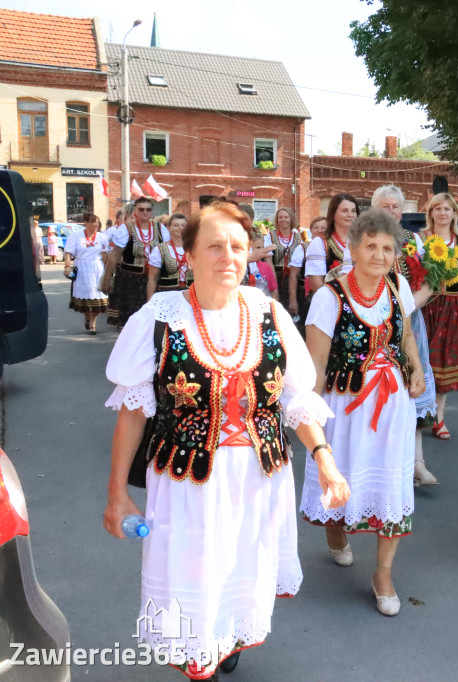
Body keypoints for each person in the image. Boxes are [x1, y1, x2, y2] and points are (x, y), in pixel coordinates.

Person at [102, 201, 350, 679]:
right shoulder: (160, 318)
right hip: (188, 485)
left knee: (240, 575)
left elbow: (296, 399)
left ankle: (229, 636)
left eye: (237, 247)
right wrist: (116, 495)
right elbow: (132, 414)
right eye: (214, 246)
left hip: (258, 482)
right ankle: (202, 659)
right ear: (188, 253)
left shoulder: (270, 314)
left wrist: (324, 457)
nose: (228, 256)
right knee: (192, 582)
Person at [299, 208, 426, 616]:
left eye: (387, 248)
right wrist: (310, 417)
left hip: (392, 405)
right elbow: (315, 363)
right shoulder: (328, 296)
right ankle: (336, 533)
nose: (379, 254)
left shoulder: (398, 287)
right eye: (370, 245)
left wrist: (418, 368)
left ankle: (383, 574)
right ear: (352, 248)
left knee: (392, 486)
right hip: (345, 405)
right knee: (343, 474)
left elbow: (404, 333)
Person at [372, 184, 439, 485]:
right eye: (385, 206)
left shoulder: (414, 241)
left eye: (395, 206)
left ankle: (417, 463)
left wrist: (407, 306)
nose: (391, 211)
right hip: (371, 324)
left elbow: (433, 280)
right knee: (377, 392)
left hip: (410, 324)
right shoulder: (362, 240)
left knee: (414, 385)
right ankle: (380, 465)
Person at [420, 193, 458, 440]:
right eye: (438, 209)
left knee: (445, 362)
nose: (443, 213)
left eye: (448, 209)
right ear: (431, 213)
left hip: (451, 308)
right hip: (425, 306)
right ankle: (417, 413)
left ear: (455, 213)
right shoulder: (421, 239)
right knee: (422, 360)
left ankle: (438, 417)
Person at [102, 197, 163, 329]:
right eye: (141, 209)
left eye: (148, 209)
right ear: (135, 210)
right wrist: (106, 279)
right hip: (129, 280)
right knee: (131, 321)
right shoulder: (126, 229)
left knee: (153, 320)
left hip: (154, 279)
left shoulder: (160, 228)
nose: (145, 212)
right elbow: (114, 256)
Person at [305, 193, 359, 295]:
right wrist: (342, 302)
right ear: (333, 214)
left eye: (353, 211)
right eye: (344, 211)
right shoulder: (320, 242)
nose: (350, 215)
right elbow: (316, 283)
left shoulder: (362, 240)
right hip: (331, 301)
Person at [63, 213, 109, 334]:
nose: (96, 225)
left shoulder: (102, 237)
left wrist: (107, 270)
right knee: (86, 295)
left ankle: (93, 323)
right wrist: (67, 266)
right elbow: (68, 252)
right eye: (93, 222)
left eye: (97, 222)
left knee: (97, 295)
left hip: (97, 268)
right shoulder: (76, 236)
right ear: (86, 223)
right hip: (82, 268)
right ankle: (87, 317)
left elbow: (105, 254)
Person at [265, 208, 305, 315]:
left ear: (291, 219)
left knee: (294, 309)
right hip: (276, 276)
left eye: (286, 217)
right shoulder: (270, 236)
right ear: (277, 220)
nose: (283, 220)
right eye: (280, 217)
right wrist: (274, 288)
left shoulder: (298, 237)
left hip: (294, 278)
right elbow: (269, 263)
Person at [146, 213, 192, 299]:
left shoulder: (194, 249)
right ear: (169, 228)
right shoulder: (160, 249)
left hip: (190, 295)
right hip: (166, 295)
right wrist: (150, 301)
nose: (180, 228)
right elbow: (152, 278)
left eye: (183, 225)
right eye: (176, 225)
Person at [244, 229, 280, 300]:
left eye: (262, 248)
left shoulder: (265, 267)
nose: (261, 251)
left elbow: (274, 291)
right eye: (258, 248)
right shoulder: (241, 267)